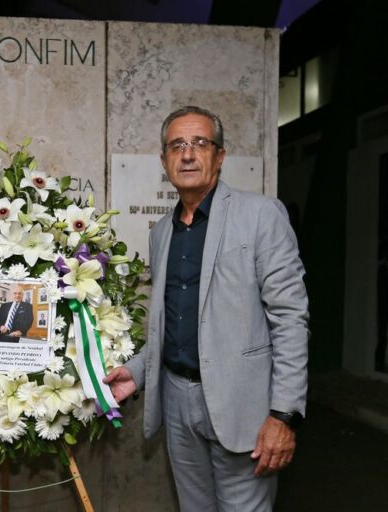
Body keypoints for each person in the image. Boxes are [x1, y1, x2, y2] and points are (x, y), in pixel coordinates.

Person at [104, 106, 309, 511]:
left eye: (200, 143)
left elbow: (290, 319)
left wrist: (283, 415)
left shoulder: (261, 215)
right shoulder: (162, 232)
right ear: (164, 161)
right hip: (178, 404)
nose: (188, 154)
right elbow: (174, 323)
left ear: (220, 155)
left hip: (243, 406)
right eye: (177, 145)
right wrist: (138, 371)